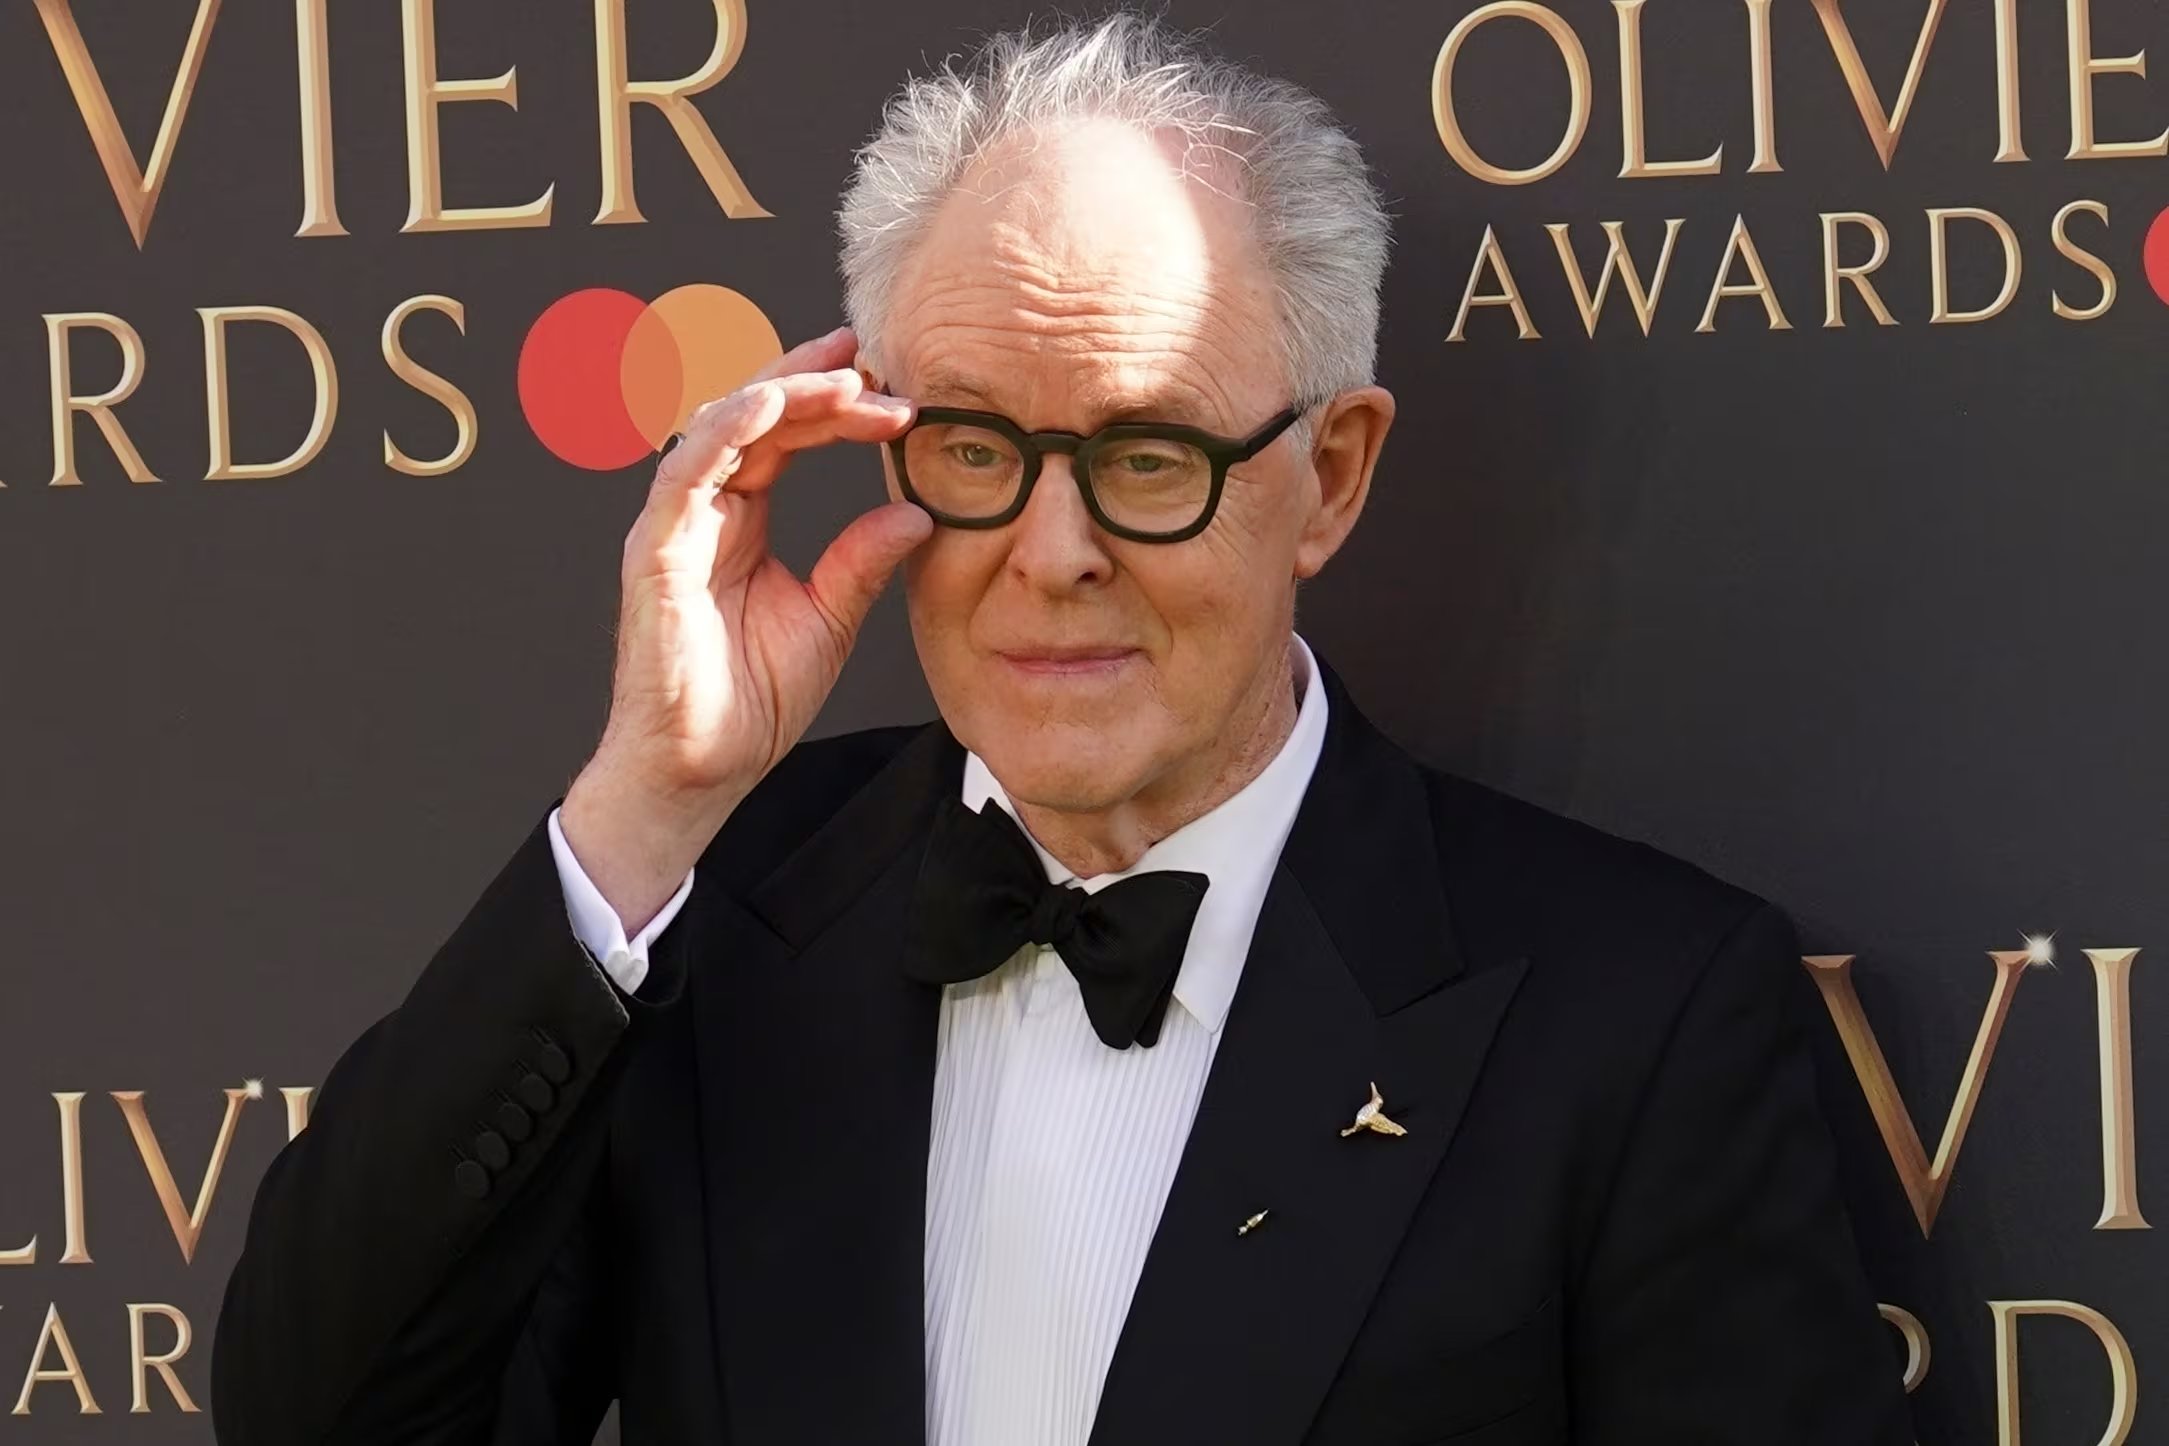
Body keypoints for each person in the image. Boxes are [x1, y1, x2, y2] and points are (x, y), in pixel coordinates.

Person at [211, 15, 1910, 1445]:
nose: (1053, 550)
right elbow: (316, 1411)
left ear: (1327, 476)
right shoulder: (713, 909)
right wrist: (646, 803)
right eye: (972, 446)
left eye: (1148, 454)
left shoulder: (1640, 1010)